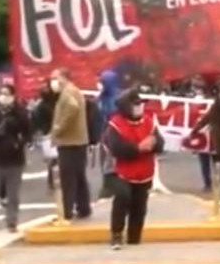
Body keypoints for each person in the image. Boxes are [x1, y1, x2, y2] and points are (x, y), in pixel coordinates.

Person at [102, 89, 165, 250]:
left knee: (140, 205)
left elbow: (160, 143)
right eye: (135, 104)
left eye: (141, 104)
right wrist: (138, 148)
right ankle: (116, 234)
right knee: (122, 199)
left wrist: (154, 144)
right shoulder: (115, 125)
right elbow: (116, 149)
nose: (139, 108)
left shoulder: (149, 122)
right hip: (121, 172)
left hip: (144, 172)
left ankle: (134, 237)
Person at [0, 85, 32, 233]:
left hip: (14, 160)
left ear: (13, 96)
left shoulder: (21, 113)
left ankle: (12, 221)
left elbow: (29, 132)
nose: (3, 97)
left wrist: (20, 142)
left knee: (13, 195)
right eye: (1, 93)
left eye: (7, 94)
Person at [48, 68, 92, 220]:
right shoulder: (75, 91)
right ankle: (83, 208)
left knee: (68, 178)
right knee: (79, 176)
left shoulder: (67, 93)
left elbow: (72, 108)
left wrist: (59, 128)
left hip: (69, 141)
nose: (52, 82)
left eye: (55, 78)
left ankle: (67, 211)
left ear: (64, 78)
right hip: (78, 140)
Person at [93, 70, 121, 200]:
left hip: (114, 135)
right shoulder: (100, 98)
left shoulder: (118, 99)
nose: (99, 84)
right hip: (103, 134)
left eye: (102, 82)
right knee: (104, 161)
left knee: (112, 162)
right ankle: (108, 186)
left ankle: (111, 188)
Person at [31, 84, 59, 191]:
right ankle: (53, 181)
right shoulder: (42, 106)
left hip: (53, 133)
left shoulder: (56, 102)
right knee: (53, 159)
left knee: (55, 159)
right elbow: (36, 121)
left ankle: (54, 181)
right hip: (48, 134)